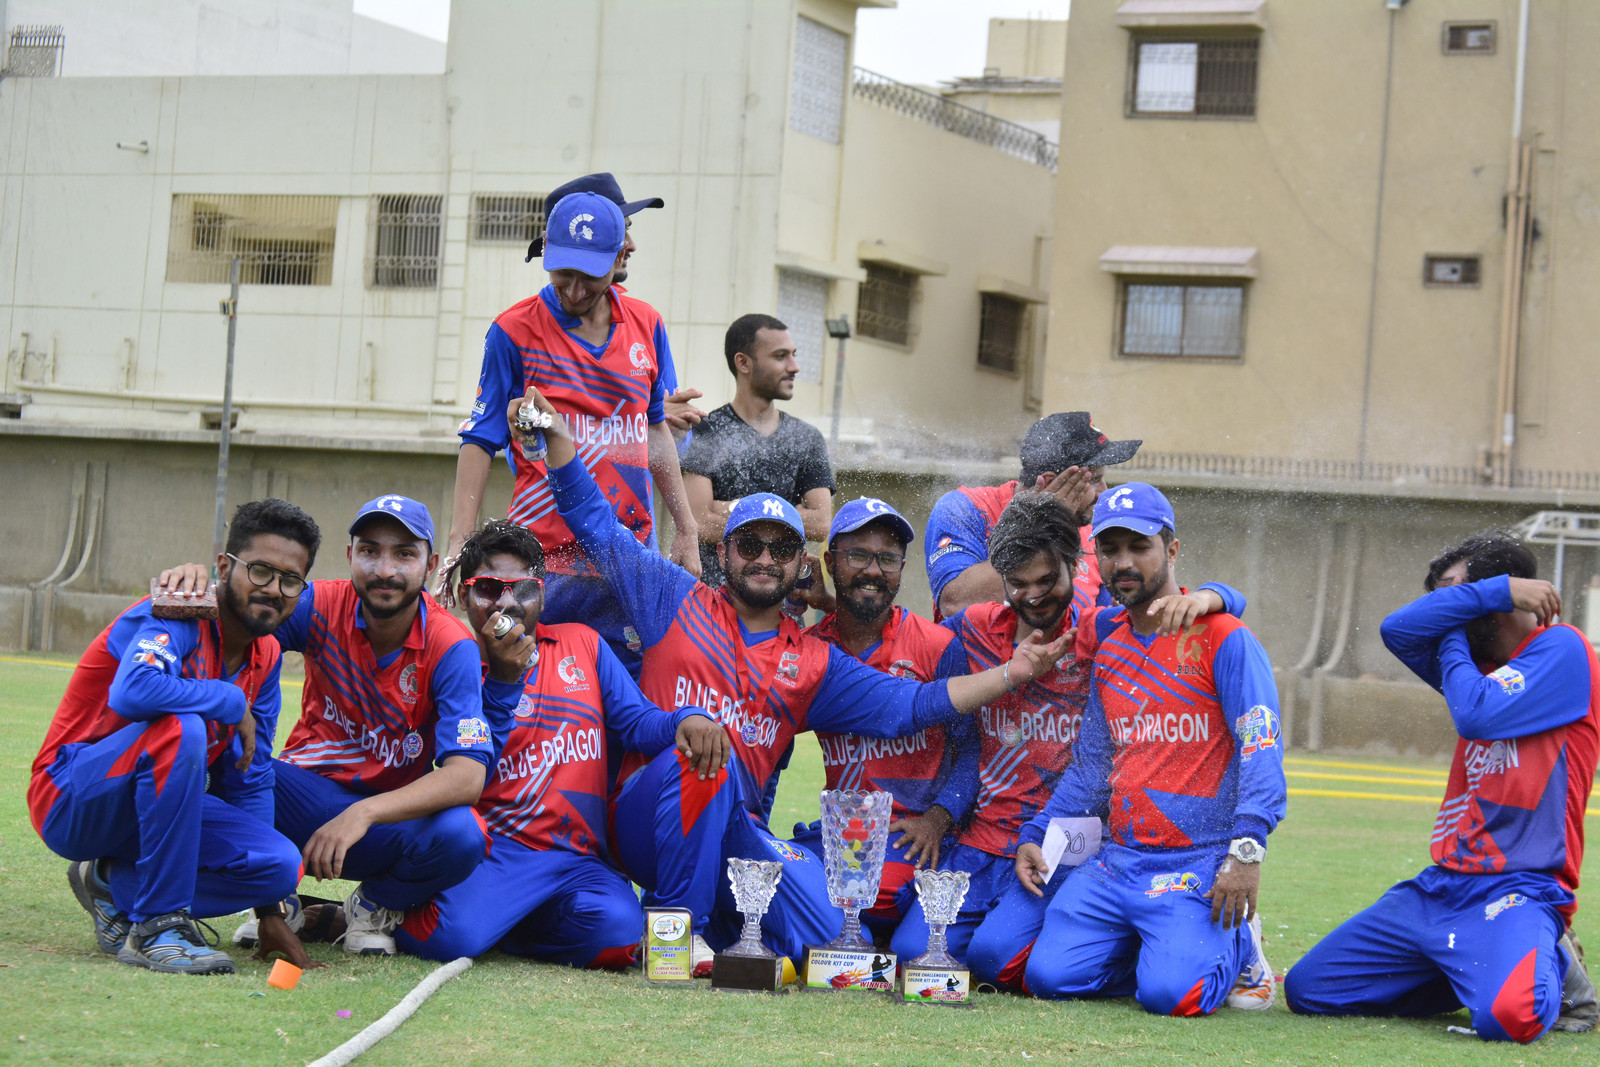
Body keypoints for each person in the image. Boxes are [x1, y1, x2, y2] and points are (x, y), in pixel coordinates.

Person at [515, 384, 1072, 968]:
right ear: (724, 553)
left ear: (800, 564)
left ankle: (729, 927)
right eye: (750, 544)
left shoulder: (814, 661)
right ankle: (677, 930)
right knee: (705, 753)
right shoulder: (672, 598)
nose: (764, 558)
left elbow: (914, 704)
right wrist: (559, 441)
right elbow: (597, 525)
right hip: (646, 819)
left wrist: (1011, 672)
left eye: (781, 548)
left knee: (828, 930)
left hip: (736, 833)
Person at [895, 488, 1243, 968]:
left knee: (995, 958)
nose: (1034, 596)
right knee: (910, 953)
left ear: (1074, 568)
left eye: (1047, 580)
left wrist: (1216, 594)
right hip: (983, 838)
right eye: (1018, 583)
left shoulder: (1098, 632)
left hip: (1062, 843)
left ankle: (1166, 945)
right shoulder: (973, 630)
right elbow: (908, 643)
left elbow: (1184, 608)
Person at [167, 495, 525, 955]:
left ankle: (372, 906)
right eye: (370, 551)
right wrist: (202, 586)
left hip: (382, 822)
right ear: (350, 554)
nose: (385, 570)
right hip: (298, 798)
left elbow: (467, 776)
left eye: (404, 554)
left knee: (463, 835)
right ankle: (272, 899)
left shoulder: (450, 645)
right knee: (220, 756)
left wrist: (363, 814)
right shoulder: (318, 603)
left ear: (431, 565)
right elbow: (240, 614)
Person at [1285, 532, 1599, 1041]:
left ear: (1505, 592)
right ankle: (1475, 968)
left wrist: (1476, 604)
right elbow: (1397, 629)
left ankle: (1560, 972)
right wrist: (1485, 597)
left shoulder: (1563, 649)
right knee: (1312, 990)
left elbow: (1476, 715)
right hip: (1443, 884)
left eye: (1455, 593)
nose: (1443, 609)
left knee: (1511, 1020)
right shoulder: (1471, 667)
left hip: (1520, 886)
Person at [1002, 483, 1284, 1017]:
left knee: (1171, 996)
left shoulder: (1225, 636)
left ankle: (1241, 945)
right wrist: (1037, 833)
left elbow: (1261, 747)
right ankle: (1164, 950)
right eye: (1110, 550)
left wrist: (1247, 853)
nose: (1124, 562)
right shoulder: (1107, 639)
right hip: (1120, 860)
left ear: (1172, 550)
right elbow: (1092, 766)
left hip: (1198, 859)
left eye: (1140, 546)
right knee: (1048, 978)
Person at [394, 521, 728, 966]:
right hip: (498, 854)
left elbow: (638, 723)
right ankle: (383, 912)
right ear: (461, 594)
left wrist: (685, 718)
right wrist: (502, 682)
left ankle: (514, 928)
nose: (506, 603)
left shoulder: (582, 643)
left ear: (543, 594)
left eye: (523, 589)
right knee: (447, 942)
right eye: (489, 589)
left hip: (577, 860)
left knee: (619, 937)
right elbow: (463, 776)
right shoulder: (454, 664)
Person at [31, 499, 321, 974]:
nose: (274, 589)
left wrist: (269, 911)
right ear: (224, 567)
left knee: (279, 866)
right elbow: (133, 691)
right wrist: (228, 699)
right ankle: (156, 927)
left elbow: (249, 777)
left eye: (291, 580)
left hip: (155, 813)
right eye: (261, 571)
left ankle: (111, 884)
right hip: (71, 797)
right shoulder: (182, 609)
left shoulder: (266, 655)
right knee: (181, 727)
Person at [449, 191, 700, 681]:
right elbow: (480, 438)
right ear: (545, 249)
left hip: (627, 560)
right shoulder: (513, 331)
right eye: (563, 273)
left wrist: (686, 528)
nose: (576, 289)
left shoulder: (647, 324)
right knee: (532, 700)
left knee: (630, 704)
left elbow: (654, 429)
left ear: (619, 257)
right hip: (545, 565)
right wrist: (461, 536)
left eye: (591, 276)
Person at [792, 497, 978, 937]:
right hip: (840, 833)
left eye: (888, 559)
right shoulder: (810, 649)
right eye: (858, 555)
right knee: (777, 873)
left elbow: (973, 749)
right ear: (830, 563)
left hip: (911, 833)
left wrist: (938, 819)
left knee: (872, 895)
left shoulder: (936, 646)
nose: (874, 570)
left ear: (902, 568)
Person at [521, 171, 705, 439]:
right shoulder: (518, 328)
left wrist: (667, 427)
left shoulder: (646, 320)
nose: (631, 245)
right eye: (619, 230)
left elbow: (672, 438)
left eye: (627, 229)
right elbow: (506, 435)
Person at [924, 411, 1140, 620]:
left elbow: (1101, 627)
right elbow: (953, 602)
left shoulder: (1090, 532)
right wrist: (1043, 524)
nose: (1104, 492)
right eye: (1094, 480)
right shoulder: (966, 507)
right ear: (1051, 482)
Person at [680, 314, 834, 586]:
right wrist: (787, 517)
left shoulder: (806, 438)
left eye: (793, 355)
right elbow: (700, 524)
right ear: (743, 363)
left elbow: (821, 524)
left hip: (782, 605)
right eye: (780, 356)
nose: (795, 367)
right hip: (714, 601)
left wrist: (728, 507)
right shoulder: (706, 431)